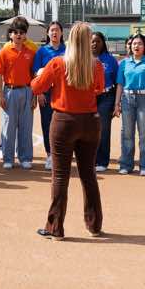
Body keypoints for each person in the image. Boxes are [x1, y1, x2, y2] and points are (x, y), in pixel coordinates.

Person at [32, 23, 105, 240]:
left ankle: (55, 227)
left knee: (60, 176)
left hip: (64, 121)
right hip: (90, 121)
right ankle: (94, 225)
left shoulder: (58, 63)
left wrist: (40, 73)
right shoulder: (96, 65)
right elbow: (99, 88)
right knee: (88, 174)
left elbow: (37, 87)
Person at [114, 33, 145, 175]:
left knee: (144, 134)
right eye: (134, 44)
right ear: (130, 46)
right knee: (127, 133)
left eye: (139, 44)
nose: (136, 46)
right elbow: (120, 84)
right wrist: (117, 104)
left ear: (144, 46)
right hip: (127, 99)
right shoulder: (124, 63)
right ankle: (126, 165)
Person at [0, 20, 36, 170]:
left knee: (26, 126)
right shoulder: (4, 51)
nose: (18, 35)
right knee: (9, 126)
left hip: (27, 91)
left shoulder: (30, 52)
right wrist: (1, 95)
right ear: (10, 35)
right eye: (16, 32)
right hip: (10, 91)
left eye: (22, 32)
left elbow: (34, 76)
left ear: (25, 35)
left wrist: (34, 96)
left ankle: (25, 157)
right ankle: (8, 158)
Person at [32, 21, 65, 171]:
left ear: (62, 33)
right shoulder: (42, 51)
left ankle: (62, 154)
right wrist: (39, 92)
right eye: (52, 30)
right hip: (46, 92)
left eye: (57, 30)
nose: (54, 33)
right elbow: (36, 73)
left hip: (63, 93)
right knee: (47, 124)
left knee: (63, 124)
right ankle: (50, 155)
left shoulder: (67, 50)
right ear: (47, 33)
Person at [91, 32, 119, 172]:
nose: (94, 44)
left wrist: (116, 103)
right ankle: (91, 160)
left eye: (98, 41)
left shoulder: (110, 60)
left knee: (103, 129)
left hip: (106, 97)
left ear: (103, 43)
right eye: (92, 41)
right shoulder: (84, 58)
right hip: (89, 98)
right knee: (88, 130)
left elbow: (117, 82)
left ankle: (102, 161)